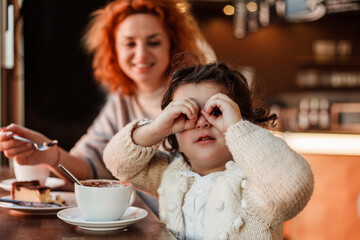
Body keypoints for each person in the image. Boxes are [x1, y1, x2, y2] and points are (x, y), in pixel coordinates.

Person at [0, 0, 215, 213]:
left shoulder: (195, 96)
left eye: (154, 42)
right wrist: (48, 152)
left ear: (172, 44)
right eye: (130, 43)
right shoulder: (122, 99)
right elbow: (90, 167)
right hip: (144, 225)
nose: (141, 54)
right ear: (114, 50)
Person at [103, 55, 314, 239]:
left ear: (242, 123)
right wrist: (156, 128)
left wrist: (237, 129)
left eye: (216, 112)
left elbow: (293, 187)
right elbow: (118, 163)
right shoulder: (171, 173)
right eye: (186, 114)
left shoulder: (254, 185)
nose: (202, 122)